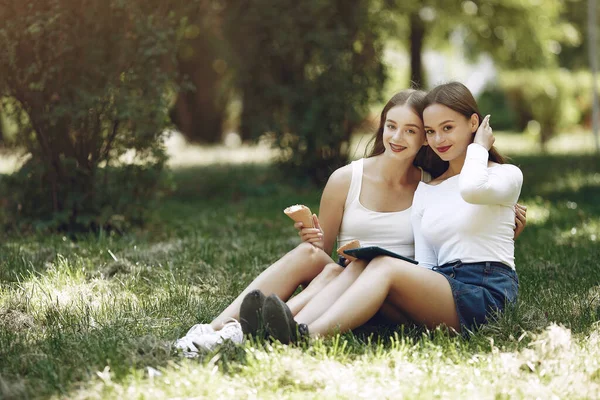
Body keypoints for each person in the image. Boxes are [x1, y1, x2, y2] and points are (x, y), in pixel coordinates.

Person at [175, 86, 526, 352]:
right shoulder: (410, 187)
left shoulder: (479, 177)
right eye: (392, 126)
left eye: (418, 131)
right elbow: (426, 262)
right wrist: (319, 241)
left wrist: (483, 155)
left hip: (448, 287)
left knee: (375, 265)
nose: (400, 137)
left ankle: (296, 333)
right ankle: (224, 330)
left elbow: (470, 200)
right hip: (381, 279)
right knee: (333, 262)